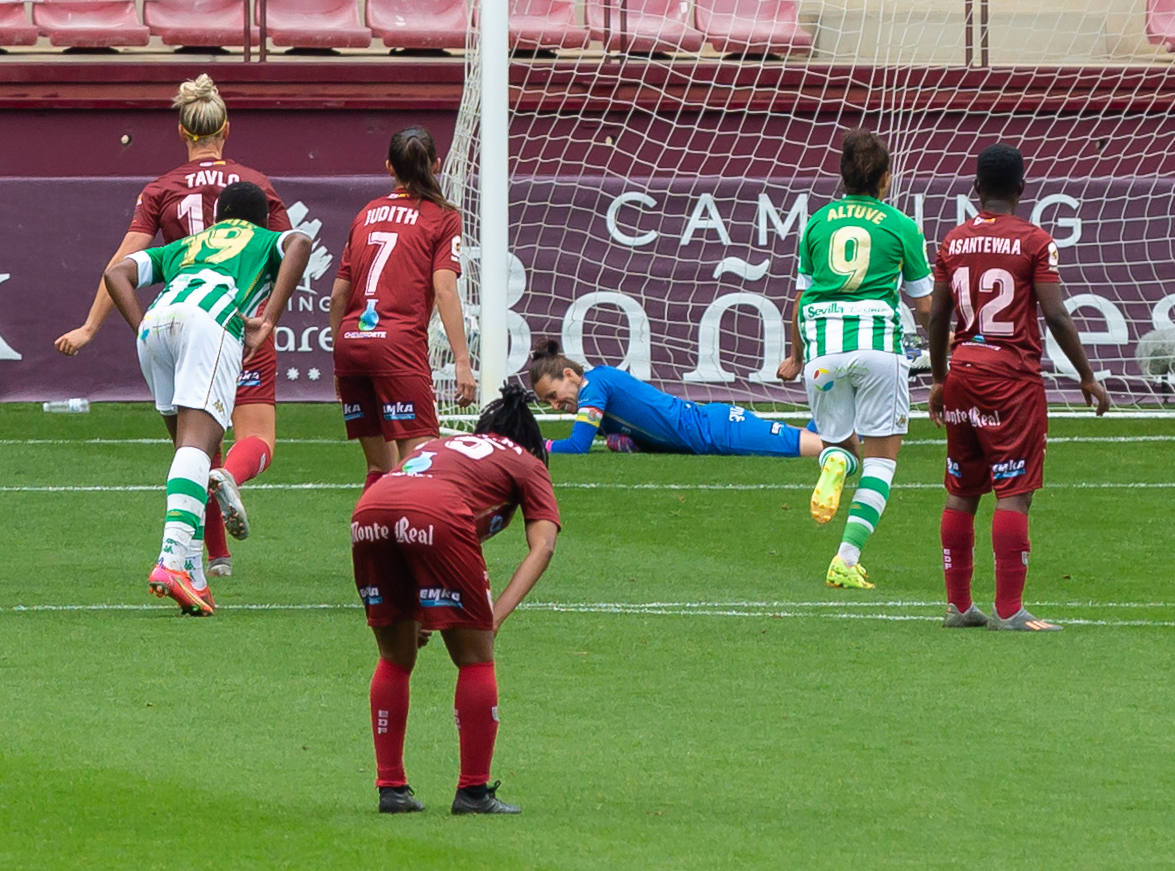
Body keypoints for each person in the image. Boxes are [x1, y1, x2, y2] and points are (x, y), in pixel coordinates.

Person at [54, 73, 292, 580]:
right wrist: (267, 318)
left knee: (192, 440)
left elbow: (123, 261)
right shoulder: (256, 184)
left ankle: (211, 557)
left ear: (184, 133)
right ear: (225, 128)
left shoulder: (162, 188)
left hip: (177, 314)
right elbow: (287, 251)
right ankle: (220, 509)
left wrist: (93, 326)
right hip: (238, 319)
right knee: (257, 434)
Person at [102, 182, 311, 616]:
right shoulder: (265, 237)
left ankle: (194, 576)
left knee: (187, 451)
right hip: (209, 322)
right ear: (261, 219)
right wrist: (269, 318)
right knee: (200, 447)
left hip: (157, 322)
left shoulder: (188, 244)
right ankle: (170, 561)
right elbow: (301, 243)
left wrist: (143, 325)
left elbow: (116, 273)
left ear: (219, 217)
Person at [351, 385, 560, 815]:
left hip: (371, 508)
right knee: (475, 659)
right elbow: (543, 547)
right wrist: (493, 618)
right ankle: (473, 792)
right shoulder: (527, 462)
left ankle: (391, 787)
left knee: (395, 657)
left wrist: (424, 610)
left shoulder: (443, 446)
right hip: (437, 513)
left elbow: (413, 517)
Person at [928, 144, 1108, 630]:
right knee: (1014, 491)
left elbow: (938, 315)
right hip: (1011, 381)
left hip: (963, 373)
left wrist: (939, 378)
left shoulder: (953, 241)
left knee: (961, 490)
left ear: (976, 188)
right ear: (1022, 188)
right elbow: (1055, 314)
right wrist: (1087, 376)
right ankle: (1010, 610)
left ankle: (959, 606)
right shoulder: (1034, 241)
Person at [777, 128, 933, 589]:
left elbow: (801, 297)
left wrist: (794, 355)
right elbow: (925, 308)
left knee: (842, 443)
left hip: (822, 348)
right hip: (878, 348)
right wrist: (944, 345)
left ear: (842, 177)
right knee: (882, 462)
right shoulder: (902, 226)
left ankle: (838, 463)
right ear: (886, 179)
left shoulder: (818, 223)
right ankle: (845, 557)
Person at [330, 126, 477, 491]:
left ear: (389, 168)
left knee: (380, 468)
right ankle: (419, 545)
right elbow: (445, 290)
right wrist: (462, 360)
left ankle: (371, 544)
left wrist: (339, 356)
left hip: (352, 343)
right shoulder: (443, 217)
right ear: (437, 165)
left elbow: (337, 296)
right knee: (421, 459)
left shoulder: (366, 214)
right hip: (397, 345)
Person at [529, 341, 822, 457]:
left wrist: (533, 446)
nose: (556, 406)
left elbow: (578, 447)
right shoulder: (598, 396)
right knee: (814, 438)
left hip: (717, 432)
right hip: (711, 426)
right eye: (548, 403)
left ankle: (859, 435)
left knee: (821, 448)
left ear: (570, 374)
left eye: (554, 396)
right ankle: (846, 415)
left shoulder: (593, 388)